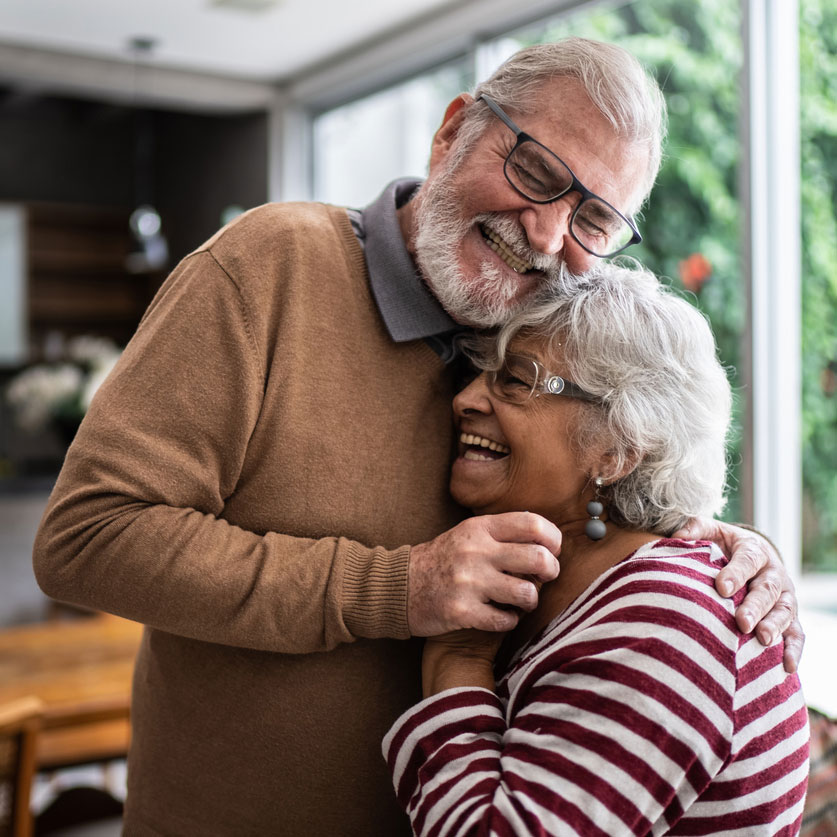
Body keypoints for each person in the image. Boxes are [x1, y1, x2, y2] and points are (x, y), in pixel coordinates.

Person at [32, 38, 802, 834]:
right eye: (535, 170)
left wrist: (716, 546)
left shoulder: (543, 339)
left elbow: (616, 497)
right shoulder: (269, 264)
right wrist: (400, 589)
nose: (545, 235)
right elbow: (86, 537)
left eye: (594, 217)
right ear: (452, 132)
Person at [384, 263, 810, 835]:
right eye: (477, 371)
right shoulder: (584, 587)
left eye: (515, 380)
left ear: (616, 450)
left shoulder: (670, 622)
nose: (464, 399)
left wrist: (456, 662)